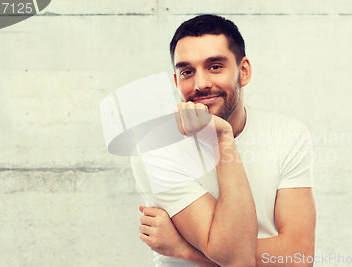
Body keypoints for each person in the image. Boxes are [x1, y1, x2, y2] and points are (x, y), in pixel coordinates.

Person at [131, 14, 316, 267]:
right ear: (176, 81)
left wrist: (183, 249)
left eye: (215, 67)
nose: (200, 84)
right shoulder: (156, 149)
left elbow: (298, 257)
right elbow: (236, 257)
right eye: (187, 72)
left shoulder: (288, 133)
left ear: (243, 71)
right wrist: (222, 137)